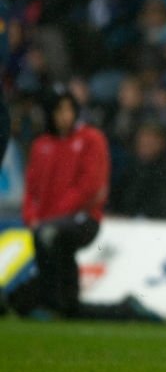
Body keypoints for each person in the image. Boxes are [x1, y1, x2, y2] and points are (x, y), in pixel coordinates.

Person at [15, 89, 118, 319]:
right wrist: (31, 216)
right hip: (48, 222)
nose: (64, 116)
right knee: (54, 246)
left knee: (52, 238)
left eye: (68, 110)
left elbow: (90, 187)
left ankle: (52, 304)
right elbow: (31, 189)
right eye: (58, 110)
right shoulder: (41, 144)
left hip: (83, 218)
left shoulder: (91, 139)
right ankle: (65, 305)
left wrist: (51, 217)